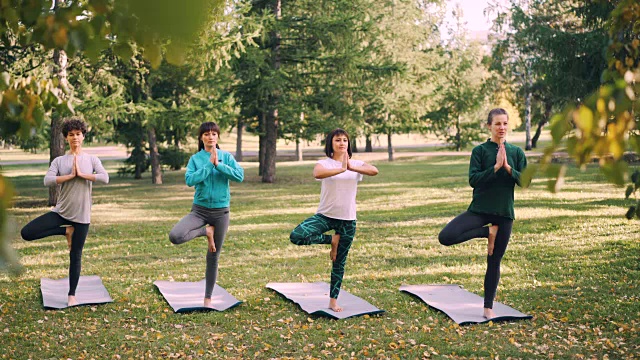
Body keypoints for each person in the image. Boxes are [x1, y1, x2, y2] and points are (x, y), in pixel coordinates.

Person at [438, 108, 527, 319]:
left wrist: (507, 168)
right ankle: (488, 233)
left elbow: (525, 181)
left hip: (504, 214)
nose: (502, 127)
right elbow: (473, 180)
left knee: (494, 261)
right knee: (446, 237)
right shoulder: (479, 151)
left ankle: (488, 307)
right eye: (497, 124)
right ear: (489, 126)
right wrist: (494, 168)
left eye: (505, 123)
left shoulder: (516, 153)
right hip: (480, 210)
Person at [20, 117, 109, 306]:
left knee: (75, 255)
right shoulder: (60, 161)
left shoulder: (92, 159)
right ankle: (65, 231)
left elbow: (105, 178)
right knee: (27, 233)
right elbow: (47, 180)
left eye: (78, 134)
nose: (75, 137)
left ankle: (72, 295)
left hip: (82, 216)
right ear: (66, 138)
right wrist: (69, 176)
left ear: (83, 136)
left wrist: (82, 175)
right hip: (61, 212)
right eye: (71, 135)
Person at [289, 128, 379, 312]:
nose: (342, 143)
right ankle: (332, 240)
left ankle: (333, 301)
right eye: (338, 140)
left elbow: (374, 171)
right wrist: (340, 168)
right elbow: (317, 173)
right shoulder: (325, 163)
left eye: (345, 140)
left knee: (339, 262)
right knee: (297, 235)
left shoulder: (356, 164)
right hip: (326, 217)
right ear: (331, 143)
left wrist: (350, 167)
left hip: (347, 220)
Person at [168, 122, 244, 308]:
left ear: (217, 137)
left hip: (221, 212)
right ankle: (206, 232)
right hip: (199, 211)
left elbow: (239, 176)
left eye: (214, 134)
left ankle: (207, 299)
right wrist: (208, 166)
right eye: (207, 134)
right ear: (201, 137)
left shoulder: (226, 156)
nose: (210, 137)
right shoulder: (195, 159)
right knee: (175, 236)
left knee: (213, 256)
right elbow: (190, 180)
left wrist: (218, 165)